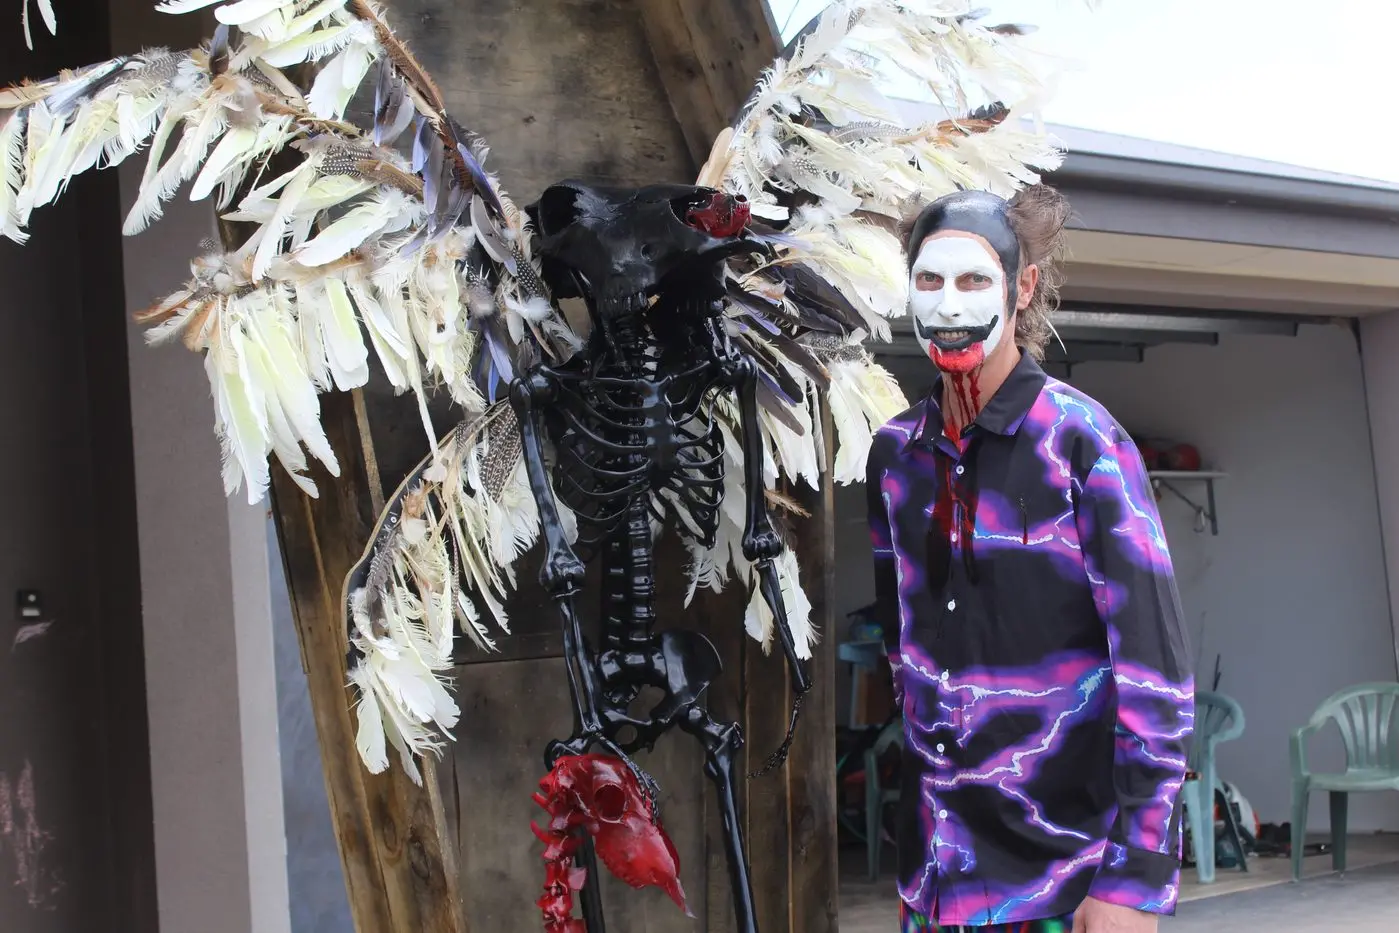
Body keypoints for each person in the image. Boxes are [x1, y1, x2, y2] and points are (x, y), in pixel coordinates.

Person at [865, 185, 1194, 933]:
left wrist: (1134, 880)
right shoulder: (894, 456)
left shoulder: (1083, 443)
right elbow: (904, 662)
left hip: (1066, 884)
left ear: (1022, 286)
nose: (949, 303)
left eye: (974, 279)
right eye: (929, 279)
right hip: (937, 883)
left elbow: (1155, 676)